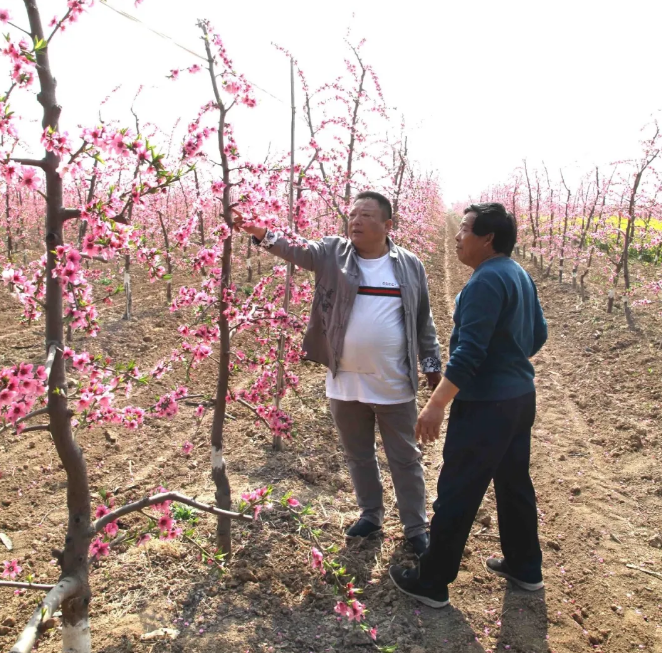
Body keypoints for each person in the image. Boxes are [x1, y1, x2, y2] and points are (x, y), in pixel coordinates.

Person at [234, 191, 441, 556]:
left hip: (393, 382)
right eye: (352, 215)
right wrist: (261, 232)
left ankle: (415, 525)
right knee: (358, 454)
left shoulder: (410, 266)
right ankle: (371, 515)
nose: (356, 221)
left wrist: (431, 366)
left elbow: (423, 321)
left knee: (404, 457)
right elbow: (296, 250)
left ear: (388, 225)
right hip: (344, 381)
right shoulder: (332, 253)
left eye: (366, 215)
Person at [389, 202, 548, 607]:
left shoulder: (484, 282)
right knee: (514, 484)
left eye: (464, 230)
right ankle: (525, 567)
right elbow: (538, 334)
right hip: (518, 398)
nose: (457, 237)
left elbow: (468, 354)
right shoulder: (518, 274)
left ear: (487, 238)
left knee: (458, 490)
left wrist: (437, 404)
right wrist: (510, 359)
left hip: (485, 406)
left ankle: (431, 580)